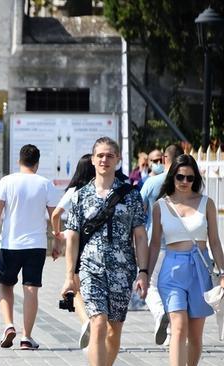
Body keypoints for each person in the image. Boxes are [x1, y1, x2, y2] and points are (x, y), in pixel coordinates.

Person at [61, 137, 149, 366]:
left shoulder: (131, 195)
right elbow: (72, 236)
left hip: (122, 271)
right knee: (98, 323)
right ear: (92, 159)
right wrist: (70, 275)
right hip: (91, 268)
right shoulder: (80, 195)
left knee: (114, 331)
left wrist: (143, 271)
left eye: (110, 155)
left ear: (118, 159)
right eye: (100, 155)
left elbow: (140, 235)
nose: (104, 159)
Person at [148, 154, 224, 366]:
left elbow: (215, 242)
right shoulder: (160, 206)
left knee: (196, 336)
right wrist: (144, 274)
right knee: (178, 327)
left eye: (190, 178)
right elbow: (154, 244)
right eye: (180, 176)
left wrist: (223, 273)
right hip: (172, 271)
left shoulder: (206, 203)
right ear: (172, 176)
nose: (184, 182)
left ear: (195, 180)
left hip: (200, 270)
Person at [0, 144, 59, 350]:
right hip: (36, 245)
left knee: (6, 285)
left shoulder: (7, 181)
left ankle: (8, 325)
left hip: (10, 244)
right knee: (31, 289)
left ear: (19, 161)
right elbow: (54, 216)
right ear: (37, 163)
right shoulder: (45, 184)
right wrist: (57, 241)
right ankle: (26, 337)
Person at [50, 153, 95, 349]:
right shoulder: (101, 189)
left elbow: (56, 213)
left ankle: (86, 320)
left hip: (76, 241)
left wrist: (58, 234)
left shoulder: (75, 190)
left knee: (75, 287)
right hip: (97, 244)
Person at [140, 144, 182, 345]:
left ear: (165, 158)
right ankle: (173, 333)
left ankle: (159, 314)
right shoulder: (185, 181)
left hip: (153, 242)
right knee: (173, 288)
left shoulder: (152, 182)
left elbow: (139, 211)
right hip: (179, 244)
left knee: (147, 285)